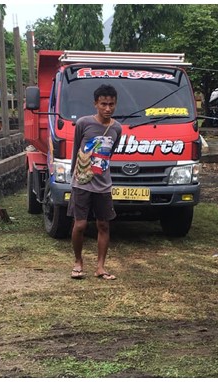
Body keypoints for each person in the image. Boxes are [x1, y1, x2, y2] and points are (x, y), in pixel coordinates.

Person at [68, 84, 122, 280]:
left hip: (103, 185)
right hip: (81, 183)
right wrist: (73, 177)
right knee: (80, 225)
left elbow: (110, 154)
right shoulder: (83, 123)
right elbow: (76, 151)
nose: (107, 108)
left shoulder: (117, 128)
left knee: (103, 225)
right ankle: (78, 261)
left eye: (111, 104)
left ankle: (100, 266)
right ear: (96, 104)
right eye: (103, 104)